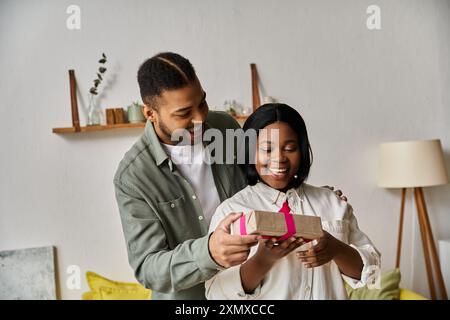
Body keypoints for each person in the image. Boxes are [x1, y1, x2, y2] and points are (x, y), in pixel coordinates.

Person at [114, 52, 348, 299]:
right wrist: (210, 253)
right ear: (150, 113)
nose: (200, 119)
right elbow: (148, 268)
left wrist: (314, 197)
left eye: (202, 103)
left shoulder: (224, 128)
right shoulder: (134, 176)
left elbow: (262, 178)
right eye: (184, 113)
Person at [205, 103, 380, 299]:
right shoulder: (231, 212)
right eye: (267, 149)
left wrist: (336, 249)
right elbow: (216, 294)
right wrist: (262, 261)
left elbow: (373, 275)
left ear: (302, 151)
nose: (279, 158)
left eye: (290, 148)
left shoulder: (332, 202)